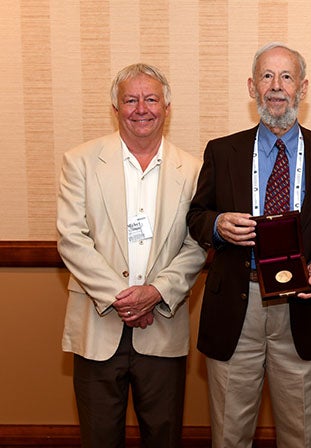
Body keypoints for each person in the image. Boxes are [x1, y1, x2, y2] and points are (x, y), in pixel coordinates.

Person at [186, 42, 311, 448]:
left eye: (286, 77)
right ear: (252, 87)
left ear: (303, 88)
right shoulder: (222, 151)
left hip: (303, 308)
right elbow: (196, 215)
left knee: (300, 435)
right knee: (230, 434)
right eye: (267, 77)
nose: (277, 87)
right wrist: (218, 225)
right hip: (238, 308)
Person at [56, 63, 207, 448]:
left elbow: (196, 246)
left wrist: (154, 293)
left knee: (164, 436)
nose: (142, 108)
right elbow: (72, 238)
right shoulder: (81, 161)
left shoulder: (192, 170)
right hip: (97, 324)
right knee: (99, 437)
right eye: (131, 99)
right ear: (116, 107)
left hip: (163, 325)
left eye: (151, 99)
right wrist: (123, 299)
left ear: (167, 107)